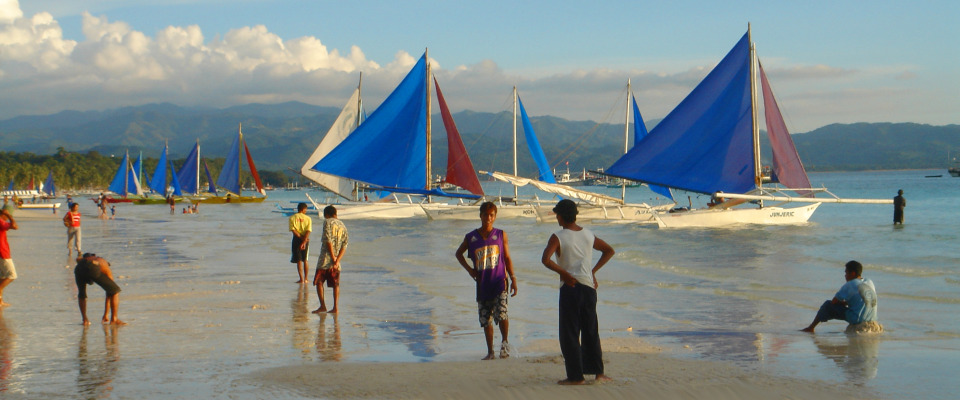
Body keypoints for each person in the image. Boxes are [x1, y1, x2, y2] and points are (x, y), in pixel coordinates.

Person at [541, 199, 615, 385]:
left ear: (561, 216)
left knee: (569, 333)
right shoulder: (588, 235)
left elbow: (546, 259)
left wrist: (564, 273)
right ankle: (598, 373)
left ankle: (576, 376)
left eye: (557, 214)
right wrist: (592, 271)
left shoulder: (558, 236)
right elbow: (609, 251)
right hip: (589, 288)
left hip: (570, 288)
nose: (556, 217)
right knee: (591, 331)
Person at [455, 202, 518, 360]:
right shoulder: (471, 237)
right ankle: (490, 351)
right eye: (485, 215)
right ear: (480, 215)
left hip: (499, 282)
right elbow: (458, 254)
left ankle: (504, 345)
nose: (488, 218)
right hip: (483, 284)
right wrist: (470, 270)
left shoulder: (501, 235)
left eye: (491, 215)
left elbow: (508, 258)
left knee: (502, 314)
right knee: (486, 319)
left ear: (495, 216)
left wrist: (513, 278)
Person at [802, 260, 878, 333]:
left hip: (857, 319)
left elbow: (834, 301)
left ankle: (811, 328)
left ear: (853, 273)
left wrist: (844, 303)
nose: (845, 275)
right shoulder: (869, 281)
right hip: (872, 318)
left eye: (846, 273)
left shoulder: (849, 284)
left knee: (827, 305)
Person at [312, 205, 347, 314]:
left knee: (319, 281)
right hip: (337, 261)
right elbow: (344, 246)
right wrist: (337, 260)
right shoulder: (343, 225)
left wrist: (332, 257)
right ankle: (335, 307)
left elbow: (328, 240)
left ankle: (323, 305)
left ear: (327, 214)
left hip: (325, 258)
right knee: (336, 284)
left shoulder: (327, 222)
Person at [74, 253, 125, 325]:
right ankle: (114, 319)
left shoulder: (83, 260)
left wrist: (106, 314)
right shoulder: (103, 262)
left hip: (78, 268)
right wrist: (106, 314)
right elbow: (110, 292)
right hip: (92, 266)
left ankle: (85, 320)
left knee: (82, 294)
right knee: (115, 291)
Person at [289, 202, 312, 284]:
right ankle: (306, 278)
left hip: (296, 239)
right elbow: (308, 230)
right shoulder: (308, 218)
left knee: (299, 260)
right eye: (306, 209)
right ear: (303, 209)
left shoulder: (292, 218)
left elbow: (294, 231)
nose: (306, 211)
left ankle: (301, 279)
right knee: (305, 259)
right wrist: (304, 241)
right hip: (305, 239)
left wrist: (301, 239)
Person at [0, 205, 19, 307]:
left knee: (2, 277)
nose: (8, 217)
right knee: (12, 275)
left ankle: (0, 301)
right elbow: (15, 226)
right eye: (7, 215)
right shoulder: (0, 222)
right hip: (3, 253)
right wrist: (9, 216)